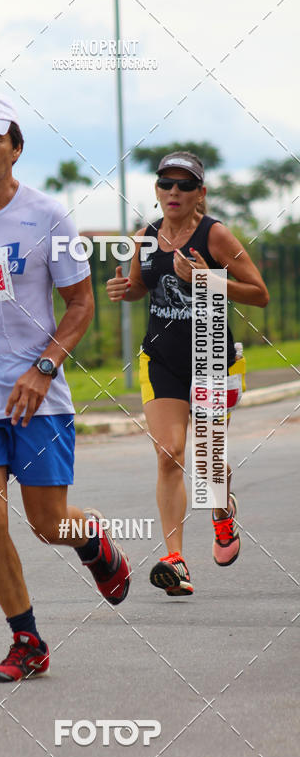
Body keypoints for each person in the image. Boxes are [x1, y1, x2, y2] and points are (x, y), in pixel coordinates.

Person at [0, 91, 131, 682]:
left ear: (15, 149)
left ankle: (92, 541)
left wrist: (44, 368)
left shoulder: (48, 217)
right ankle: (26, 640)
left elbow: (81, 304)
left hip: (36, 394)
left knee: (47, 524)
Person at [106, 151, 269, 596]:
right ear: (157, 190)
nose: (174, 192)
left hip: (212, 357)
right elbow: (140, 287)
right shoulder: (145, 237)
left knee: (209, 462)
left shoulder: (215, 235)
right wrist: (124, 288)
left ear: (201, 192)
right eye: (166, 184)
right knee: (168, 454)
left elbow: (259, 294)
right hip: (161, 361)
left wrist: (208, 279)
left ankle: (222, 511)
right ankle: (175, 560)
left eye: (184, 185)